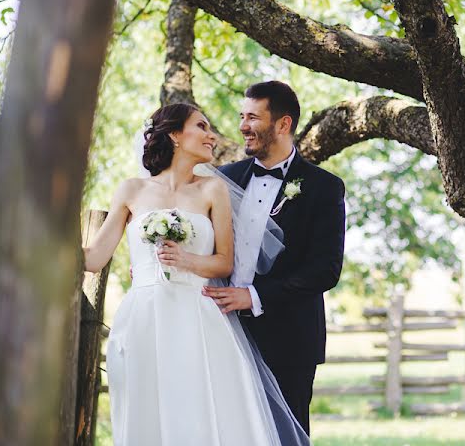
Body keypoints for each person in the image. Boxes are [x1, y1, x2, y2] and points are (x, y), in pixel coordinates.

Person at [82, 102, 309, 446]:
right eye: (201, 126)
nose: (211, 135)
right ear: (175, 134)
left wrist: (186, 261)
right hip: (142, 319)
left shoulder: (211, 190)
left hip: (198, 318)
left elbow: (224, 262)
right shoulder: (131, 190)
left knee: (200, 413)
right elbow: (95, 257)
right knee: (144, 413)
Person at [204, 81, 346, 434]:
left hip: (289, 340)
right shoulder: (223, 179)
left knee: (284, 436)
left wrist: (253, 296)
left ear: (283, 124)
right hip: (224, 332)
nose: (242, 126)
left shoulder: (323, 187)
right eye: (242, 116)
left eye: (253, 117)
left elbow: (325, 269)